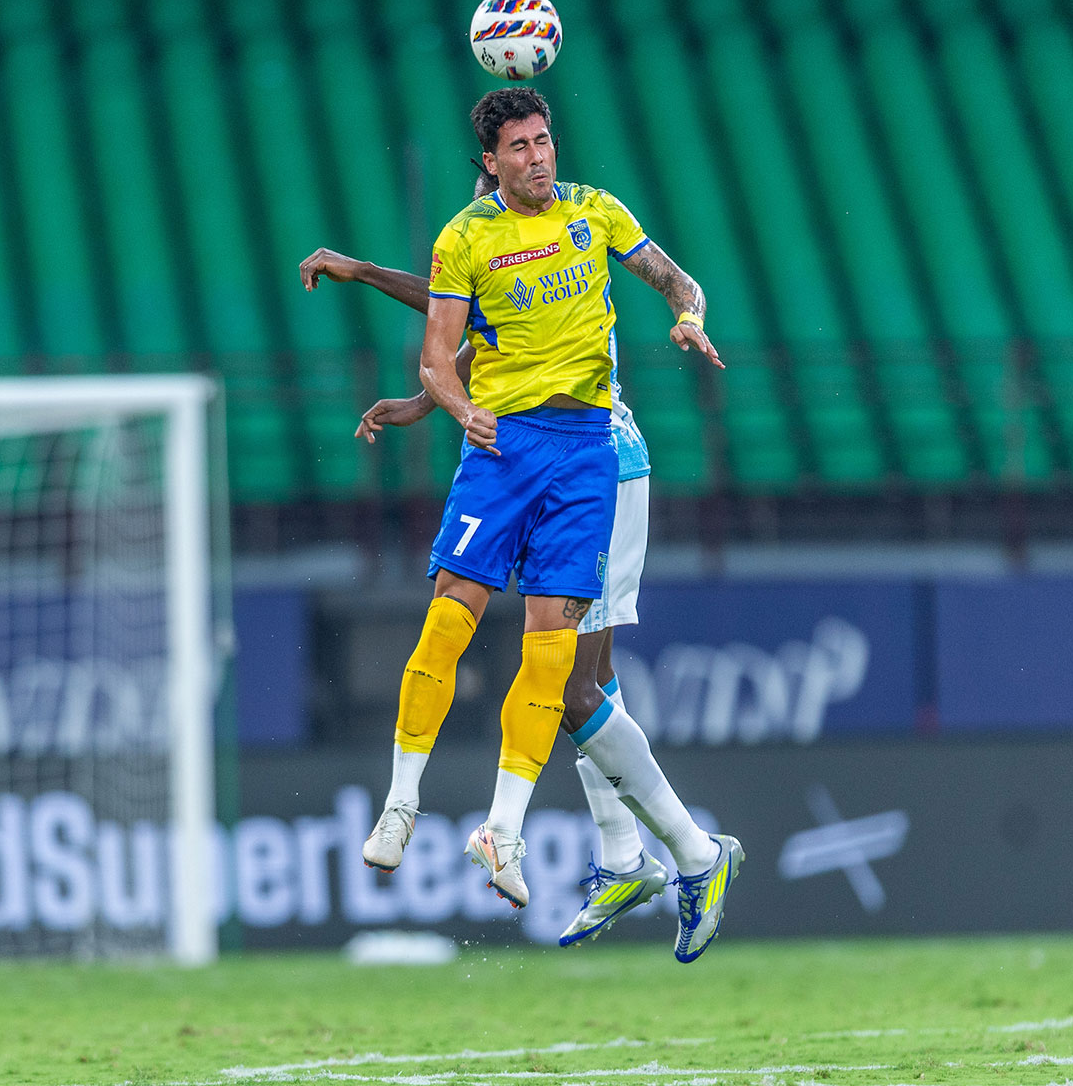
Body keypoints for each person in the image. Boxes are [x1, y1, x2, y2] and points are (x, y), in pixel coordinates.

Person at [300, 88, 743, 962]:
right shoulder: (481, 241)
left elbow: (649, 284)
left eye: (544, 142)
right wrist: (426, 402)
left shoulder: (588, 215)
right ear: (491, 166)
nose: (537, 158)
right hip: (525, 448)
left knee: (576, 680)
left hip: (604, 456)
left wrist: (687, 318)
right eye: (519, 148)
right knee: (574, 683)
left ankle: (671, 854)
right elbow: (474, 327)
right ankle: (641, 857)